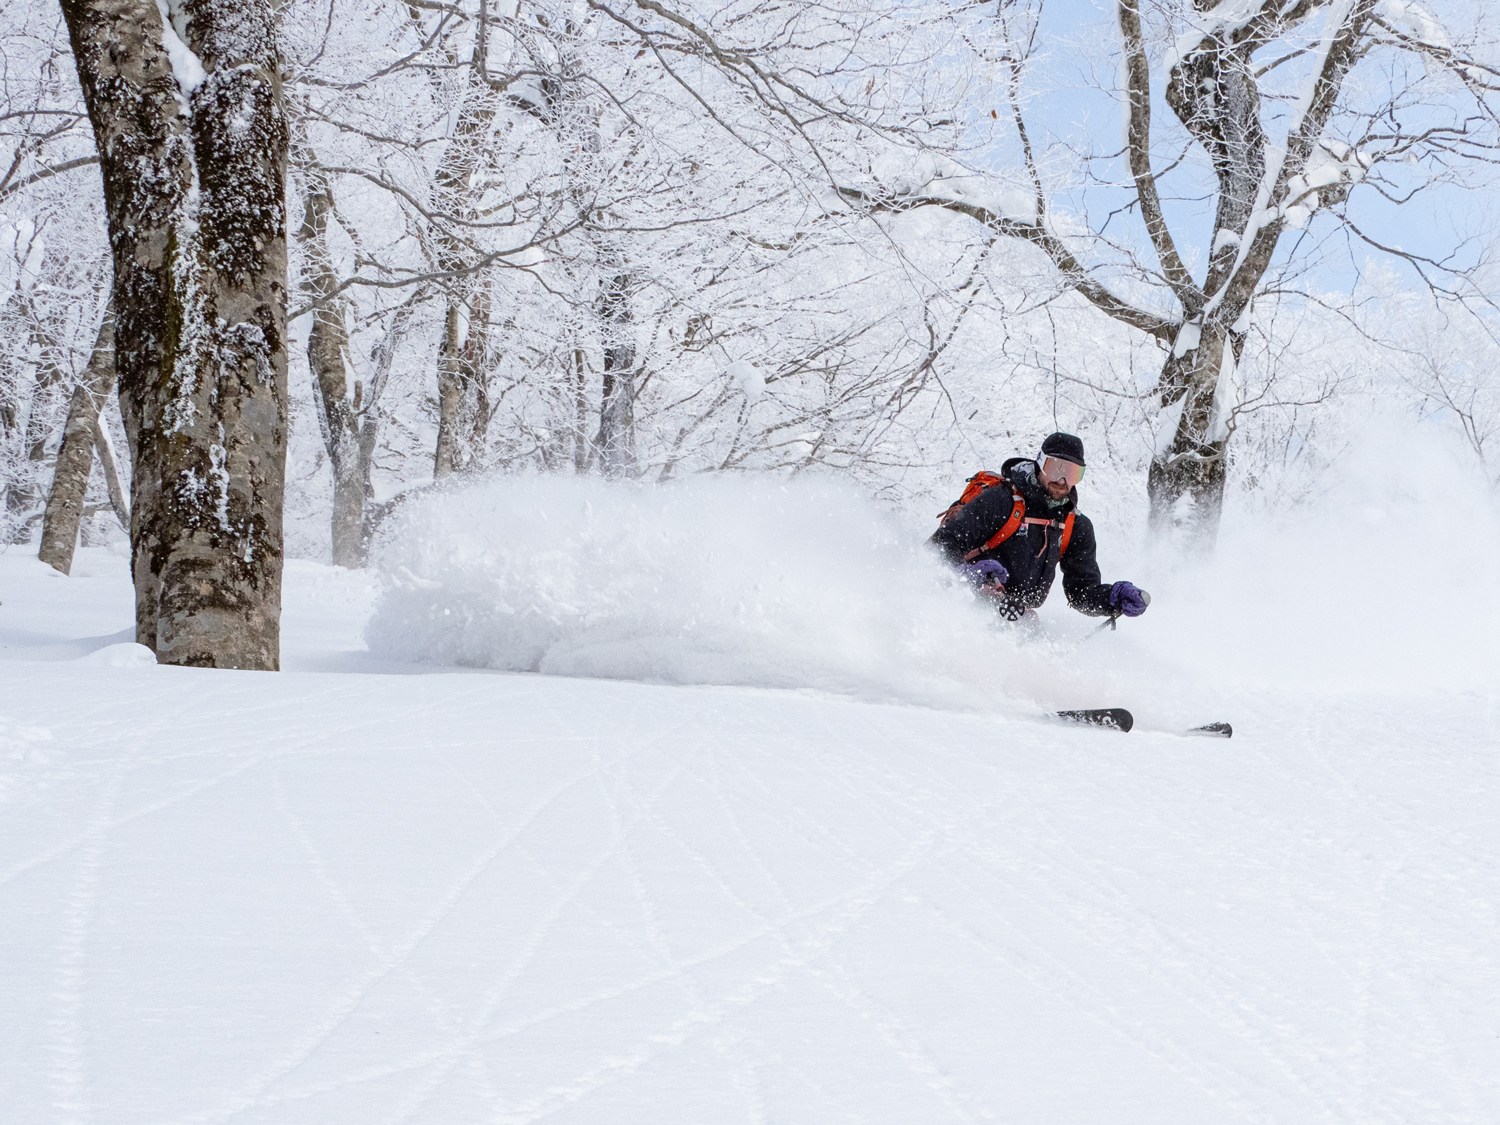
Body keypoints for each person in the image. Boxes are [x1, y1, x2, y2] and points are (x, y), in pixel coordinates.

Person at [930, 432, 1149, 623]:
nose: (1062, 481)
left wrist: (1112, 598)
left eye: (1072, 474)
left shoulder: (1076, 527)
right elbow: (937, 548)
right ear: (1040, 463)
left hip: (1016, 614)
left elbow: (1081, 593)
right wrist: (969, 575)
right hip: (961, 600)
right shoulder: (1001, 501)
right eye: (1055, 469)